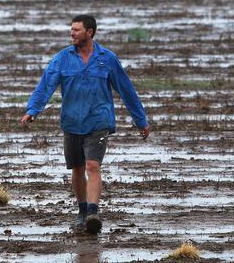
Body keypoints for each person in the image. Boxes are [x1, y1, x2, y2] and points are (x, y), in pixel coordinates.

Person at [20, 14, 150, 234]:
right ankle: (82, 211)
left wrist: (141, 120)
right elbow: (46, 85)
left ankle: (92, 212)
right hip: (71, 121)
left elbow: (126, 90)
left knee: (93, 166)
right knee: (78, 169)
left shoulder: (107, 59)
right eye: (71, 29)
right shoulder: (62, 58)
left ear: (89, 32)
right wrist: (33, 110)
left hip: (98, 121)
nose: (72, 33)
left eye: (76, 30)